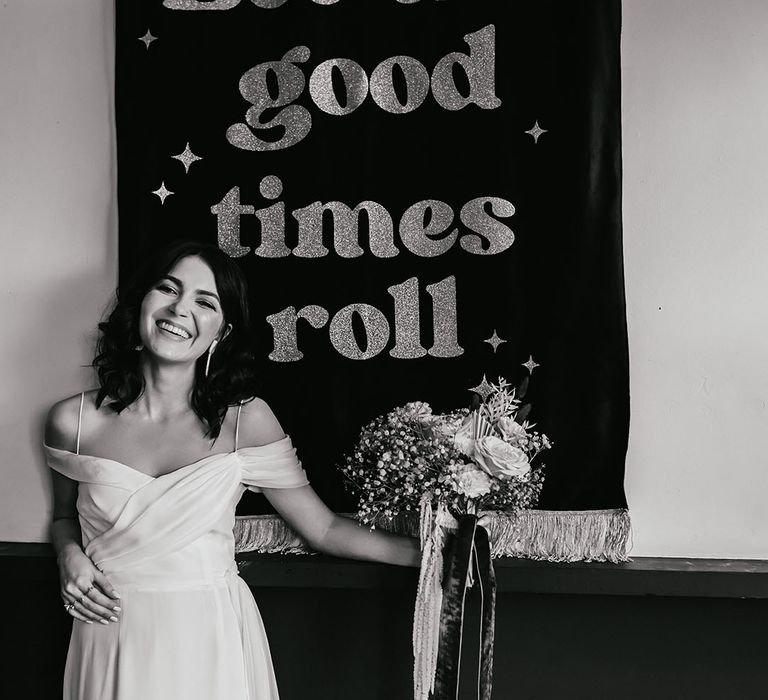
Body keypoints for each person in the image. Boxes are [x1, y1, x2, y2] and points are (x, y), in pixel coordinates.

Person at [44, 240, 421, 700]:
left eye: (205, 302)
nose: (180, 309)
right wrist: (69, 557)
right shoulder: (72, 422)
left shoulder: (246, 421)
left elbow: (321, 528)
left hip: (209, 635)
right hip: (109, 630)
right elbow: (64, 518)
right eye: (168, 289)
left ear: (221, 332)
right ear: (141, 303)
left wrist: (437, 557)